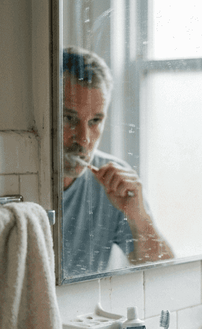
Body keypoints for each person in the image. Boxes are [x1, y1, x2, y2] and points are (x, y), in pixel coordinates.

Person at [61, 47, 173, 276]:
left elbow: (163, 276)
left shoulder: (114, 182)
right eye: (68, 118)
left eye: (95, 121)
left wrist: (139, 217)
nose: (83, 138)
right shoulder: (18, 180)